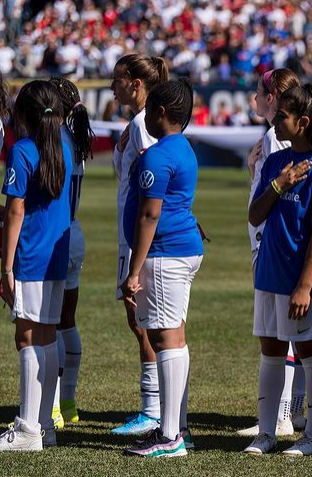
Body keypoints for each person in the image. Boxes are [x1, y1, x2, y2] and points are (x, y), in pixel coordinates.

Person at [244, 83, 312, 456]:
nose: (276, 122)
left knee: (308, 350)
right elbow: (255, 215)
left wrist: (305, 284)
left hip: (300, 280)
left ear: (302, 122)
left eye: (283, 116)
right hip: (269, 273)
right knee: (271, 350)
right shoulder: (276, 162)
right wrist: (278, 184)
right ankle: (266, 433)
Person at [121, 79, 204, 458]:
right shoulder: (183, 147)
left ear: (160, 112)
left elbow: (149, 215)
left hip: (165, 253)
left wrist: (133, 269)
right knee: (174, 337)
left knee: (165, 338)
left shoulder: (158, 155)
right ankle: (177, 428)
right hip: (179, 250)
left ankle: (171, 436)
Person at [0, 80, 73, 451]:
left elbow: (15, 212)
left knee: (28, 337)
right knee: (46, 335)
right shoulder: (64, 147)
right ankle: (44, 424)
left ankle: (28, 428)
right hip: (56, 257)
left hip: (30, 256)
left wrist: (6, 268)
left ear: (23, 114)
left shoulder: (23, 150)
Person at [238, 68, 306, 438]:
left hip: (270, 238)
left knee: (279, 331)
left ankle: (281, 416)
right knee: (292, 330)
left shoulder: (275, 137)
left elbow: (280, 190)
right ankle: (294, 411)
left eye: (259, 92)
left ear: (272, 96)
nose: (254, 98)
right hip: (273, 237)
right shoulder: (273, 136)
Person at [109, 54, 169, 436]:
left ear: (135, 84)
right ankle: (157, 408)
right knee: (141, 319)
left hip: (137, 235)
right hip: (131, 231)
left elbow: (153, 177)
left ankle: (152, 409)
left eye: (117, 80)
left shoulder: (142, 124)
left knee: (142, 318)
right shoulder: (137, 123)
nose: (112, 87)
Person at [47, 76, 95, 429]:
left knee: (46, 324)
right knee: (67, 321)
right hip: (74, 232)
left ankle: (50, 407)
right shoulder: (76, 140)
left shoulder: (55, 140)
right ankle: (68, 401)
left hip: (55, 235)